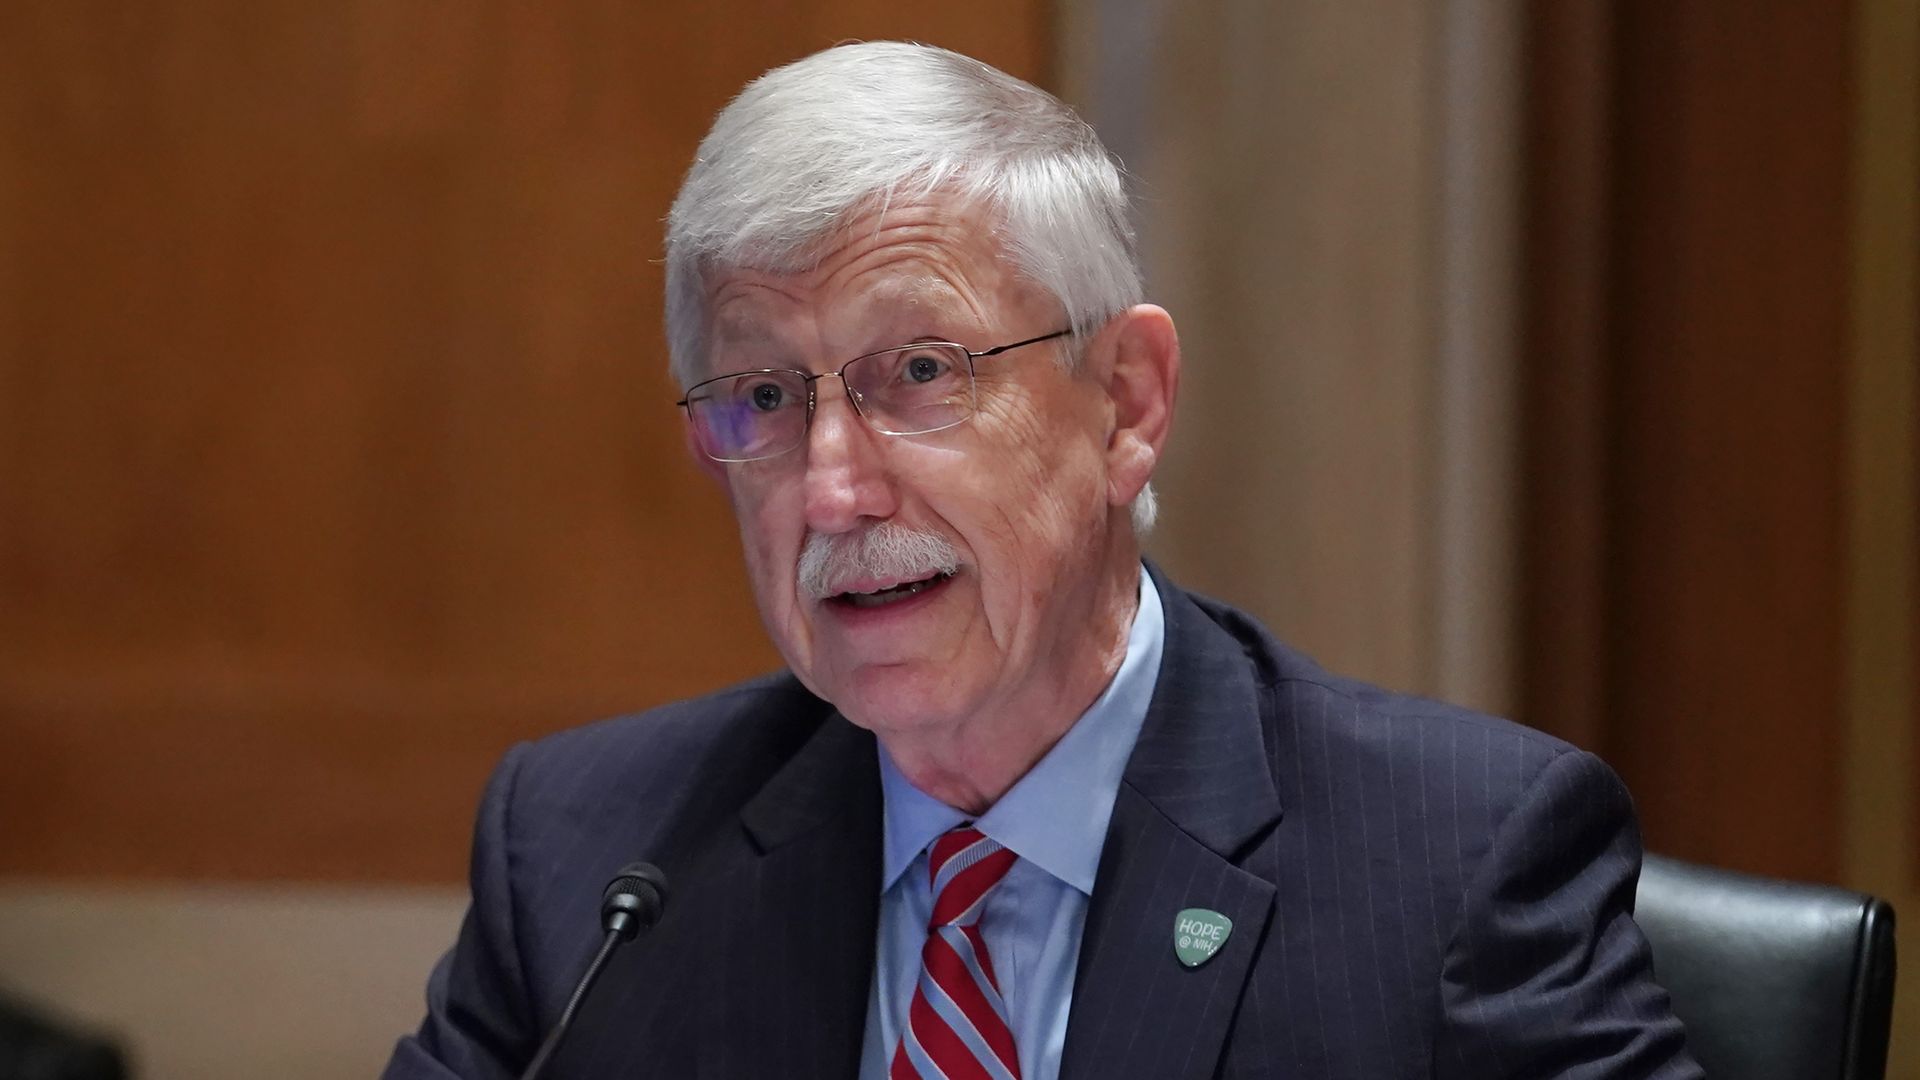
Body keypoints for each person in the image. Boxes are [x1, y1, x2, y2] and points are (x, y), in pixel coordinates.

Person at [383, 41, 1700, 1080]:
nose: (834, 489)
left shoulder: (1449, 869)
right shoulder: (592, 866)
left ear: (1126, 401)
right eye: (766, 399)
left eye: (919, 373)